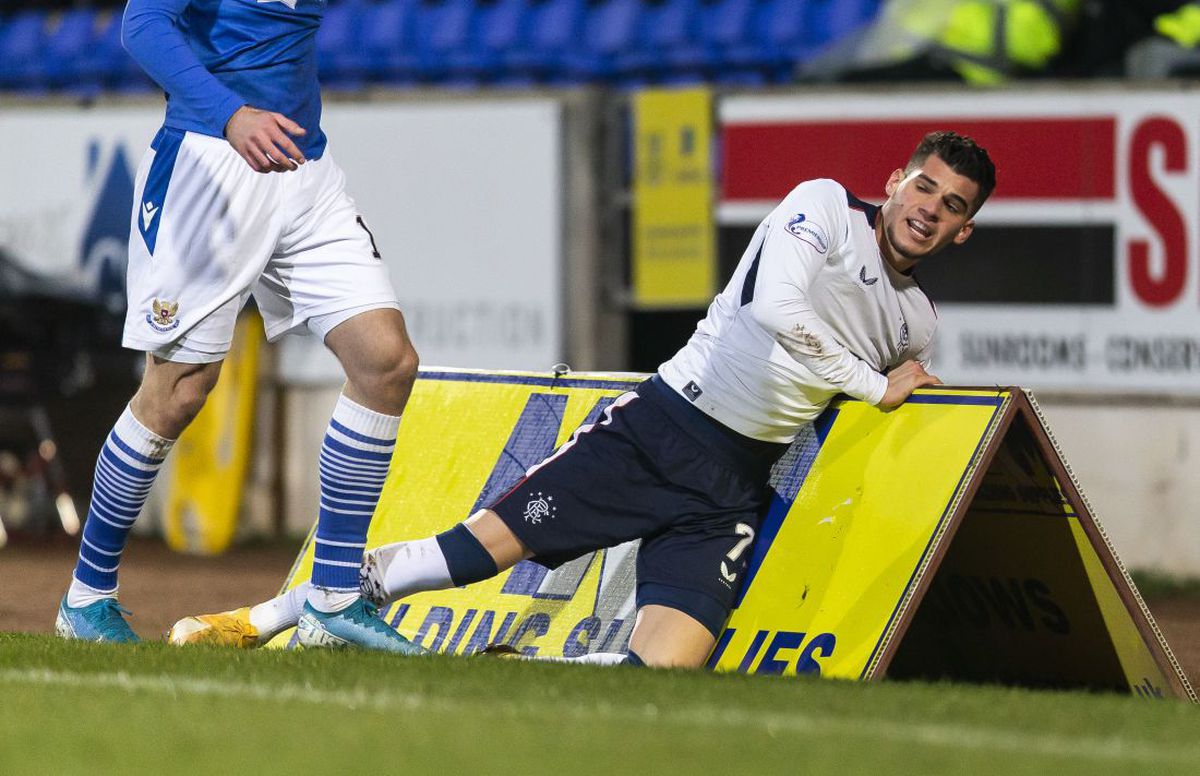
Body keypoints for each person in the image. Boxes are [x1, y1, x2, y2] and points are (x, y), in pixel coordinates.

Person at [170, 131, 996, 667]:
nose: (928, 209)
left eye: (951, 207)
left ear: (964, 231)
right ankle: (264, 619)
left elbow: (892, 407)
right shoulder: (821, 205)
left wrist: (908, 396)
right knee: (474, 551)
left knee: (670, 665)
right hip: (663, 426)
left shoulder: (916, 324)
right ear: (895, 182)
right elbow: (777, 309)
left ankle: (523, 671)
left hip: (735, 485)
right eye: (924, 188)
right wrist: (871, 384)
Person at [55, 0, 421, 653]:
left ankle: (334, 599)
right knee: (178, 391)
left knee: (385, 361)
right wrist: (230, 114)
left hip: (302, 167)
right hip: (210, 160)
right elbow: (143, 24)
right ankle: (86, 597)